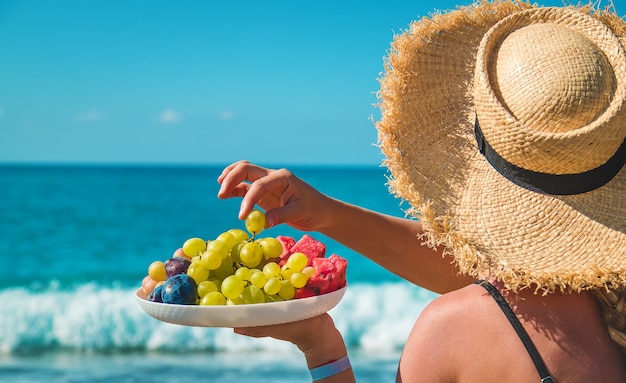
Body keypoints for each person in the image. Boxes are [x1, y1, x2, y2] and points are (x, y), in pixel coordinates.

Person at [217, 1, 626, 382]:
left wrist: (322, 347)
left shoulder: (450, 333)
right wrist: (326, 215)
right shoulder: (611, 303)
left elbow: (490, 295)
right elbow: (484, 274)